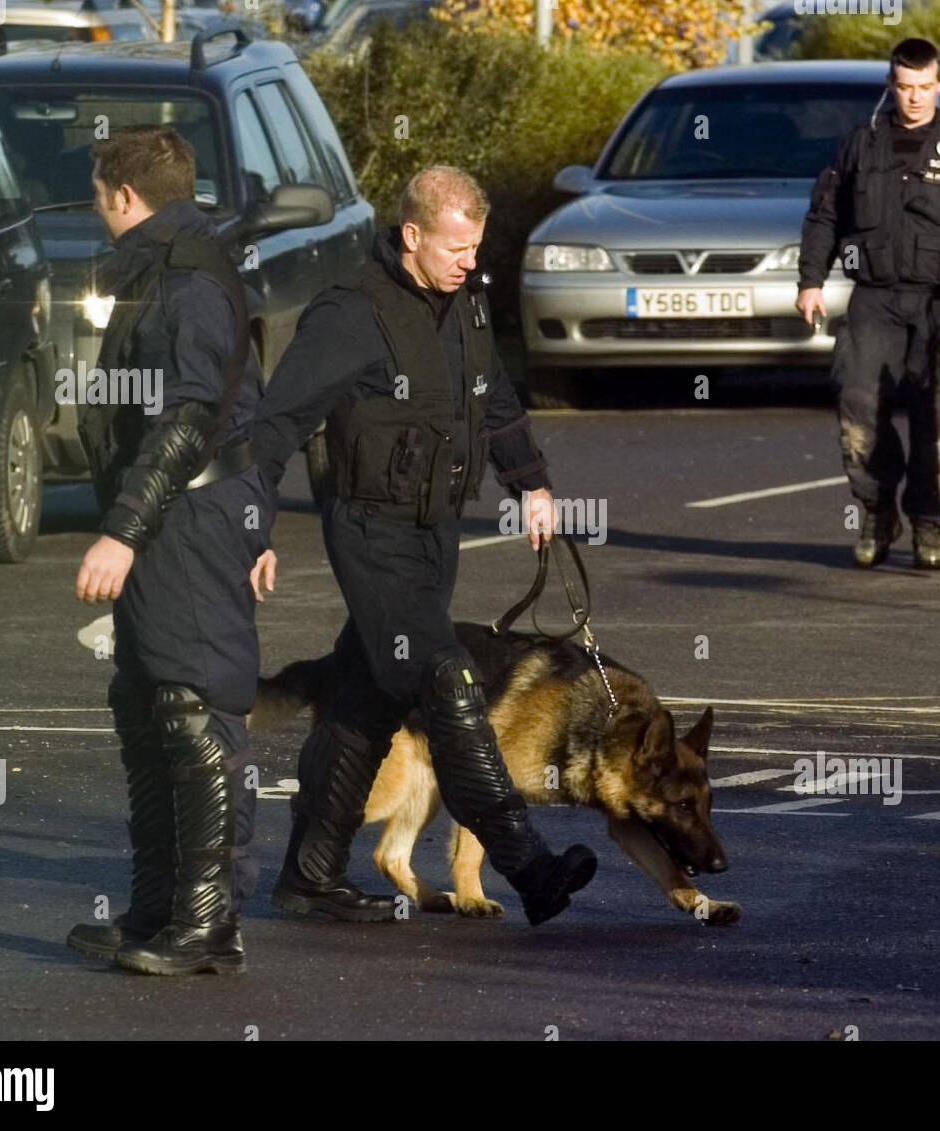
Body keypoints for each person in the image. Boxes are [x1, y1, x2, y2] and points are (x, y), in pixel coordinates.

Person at [250, 165, 597, 926]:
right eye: (457, 245)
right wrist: (252, 525)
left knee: (362, 697)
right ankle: (530, 866)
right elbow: (276, 421)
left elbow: (495, 400)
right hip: (371, 533)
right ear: (412, 236)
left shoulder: (464, 302)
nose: (471, 260)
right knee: (448, 681)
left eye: (477, 245)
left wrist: (531, 485)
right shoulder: (351, 314)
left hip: (436, 533)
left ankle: (308, 875)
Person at [66, 126, 274, 974]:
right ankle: (157, 909)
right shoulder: (170, 262)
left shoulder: (188, 276)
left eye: (94, 193)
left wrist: (124, 529)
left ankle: (208, 925)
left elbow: (196, 414)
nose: (93, 208)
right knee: (148, 704)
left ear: (122, 196)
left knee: (196, 710)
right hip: (191, 514)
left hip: (186, 518)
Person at [796, 37, 940, 568]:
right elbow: (825, 217)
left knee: (934, 415)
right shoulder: (860, 144)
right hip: (874, 299)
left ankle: (928, 521)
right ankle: (876, 512)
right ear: (890, 85)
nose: (915, 97)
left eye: (925, 87)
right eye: (905, 87)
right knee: (858, 408)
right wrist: (811, 281)